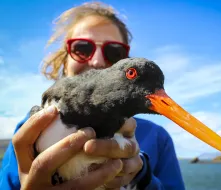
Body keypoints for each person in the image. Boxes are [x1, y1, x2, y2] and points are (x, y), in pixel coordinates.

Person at [0, 2, 185, 190]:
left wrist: (142, 177)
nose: (97, 61)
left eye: (114, 52)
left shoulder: (158, 138)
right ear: (64, 61)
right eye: (82, 48)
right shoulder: (28, 132)